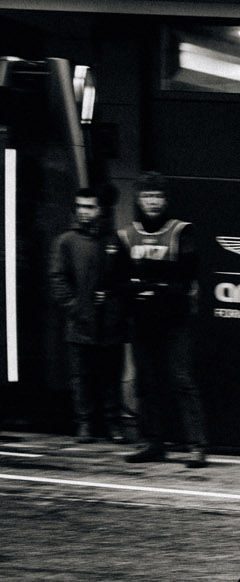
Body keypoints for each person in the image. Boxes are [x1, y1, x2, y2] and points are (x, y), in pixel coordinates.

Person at [118, 172, 209, 467]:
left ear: (165, 199)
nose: (152, 201)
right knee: (146, 383)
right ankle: (152, 443)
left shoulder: (181, 231)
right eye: (147, 196)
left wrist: (148, 283)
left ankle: (196, 446)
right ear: (138, 199)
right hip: (141, 321)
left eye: (157, 196)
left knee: (181, 380)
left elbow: (185, 276)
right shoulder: (126, 235)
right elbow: (118, 280)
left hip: (174, 321)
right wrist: (152, 283)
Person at [51, 185, 129, 444]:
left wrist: (115, 305)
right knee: (81, 376)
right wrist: (75, 306)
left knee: (111, 375)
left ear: (99, 209)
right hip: (80, 323)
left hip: (110, 323)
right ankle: (84, 423)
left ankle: (113, 423)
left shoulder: (113, 241)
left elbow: (123, 279)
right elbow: (58, 279)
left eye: (89, 207)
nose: (84, 211)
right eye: (80, 207)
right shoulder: (66, 241)